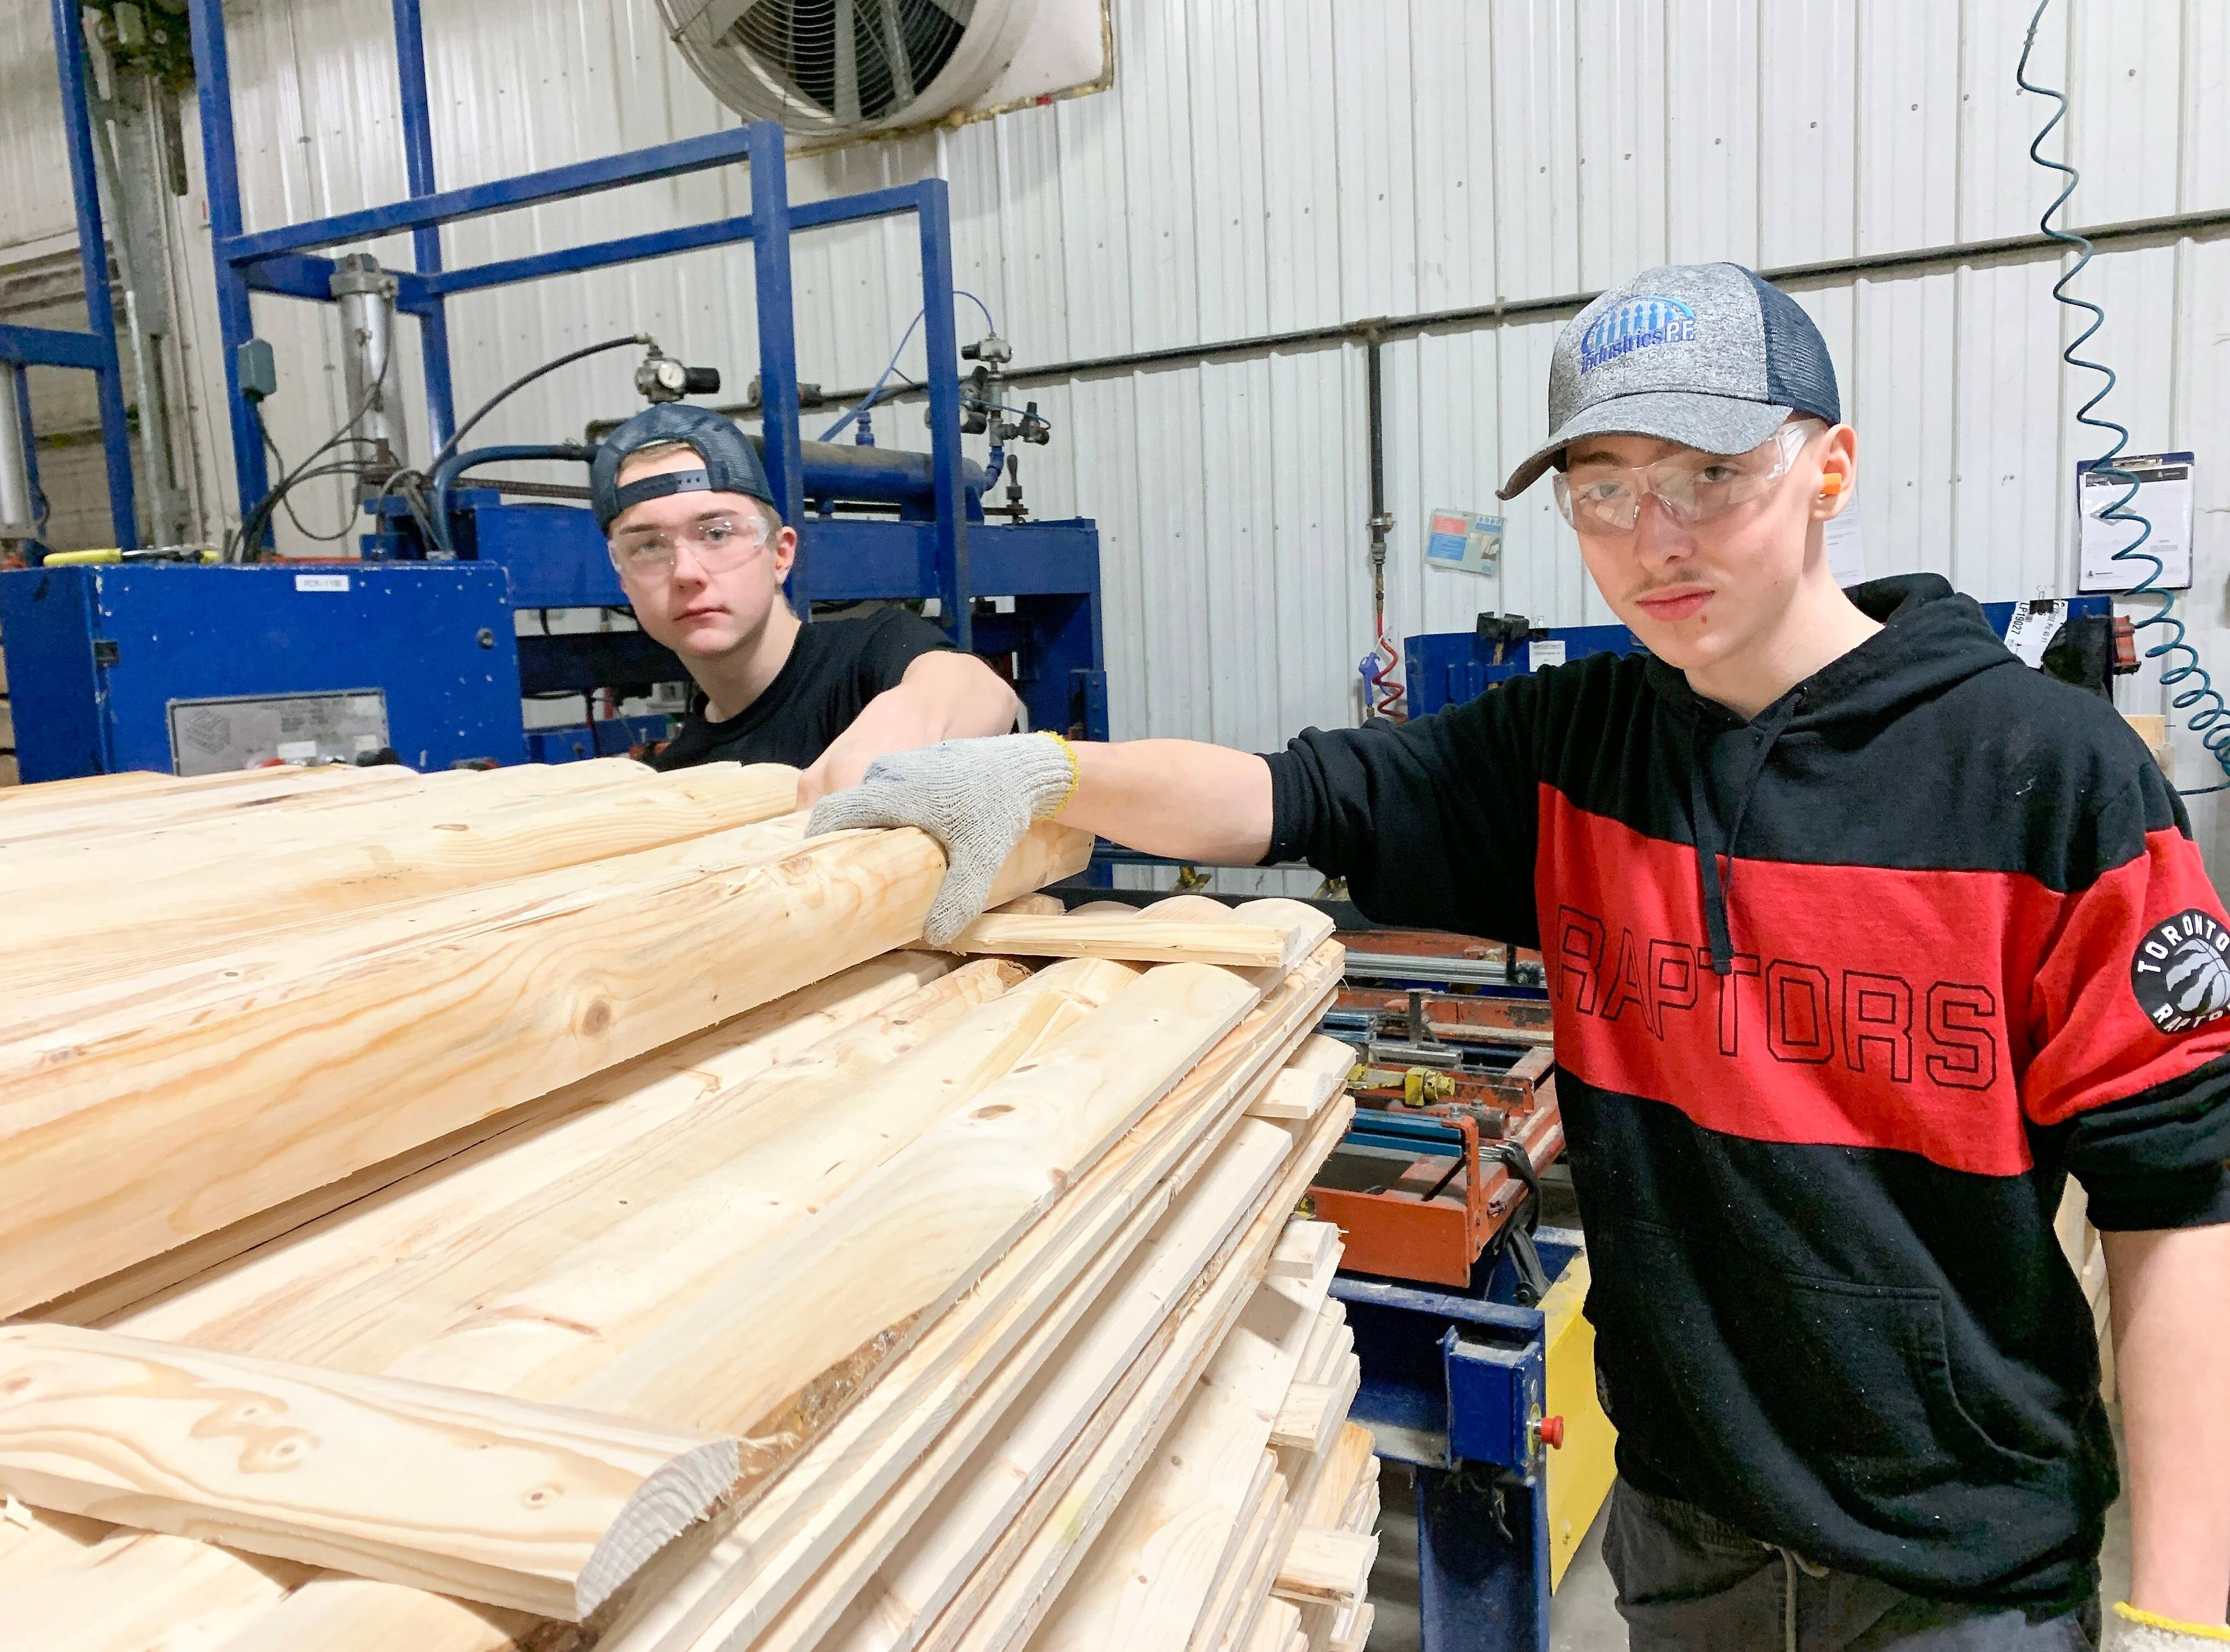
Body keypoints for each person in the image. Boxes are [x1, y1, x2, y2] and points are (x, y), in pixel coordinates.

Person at [807, 264, 2230, 1650]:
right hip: (1684, 1539)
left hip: (1959, 1573)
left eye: (1706, 475)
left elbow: (2176, 1207)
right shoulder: (1575, 745)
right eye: (1601, 489)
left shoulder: (2044, 775)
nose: (1651, 536)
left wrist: (2178, 1608)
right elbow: (1295, 791)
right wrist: (1041, 774)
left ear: (1828, 469)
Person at [589, 403, 1019, 801]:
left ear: (780, 553)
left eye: (717, 533)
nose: (686, 571)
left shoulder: (871, 659)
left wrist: (912, 715)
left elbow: (980, 693)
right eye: (647, 547)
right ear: (623, 581)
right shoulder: (680, 781)